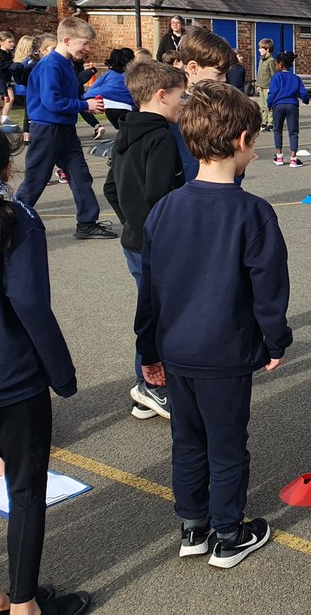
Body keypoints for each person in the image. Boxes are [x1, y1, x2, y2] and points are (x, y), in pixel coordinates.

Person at [135, 81, 291, 569]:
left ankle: (192, 526)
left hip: (176, 349)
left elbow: (149, 289)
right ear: (243, 141)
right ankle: (227, 533)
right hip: (224, 354)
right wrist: (275, 340)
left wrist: (148, 350)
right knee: (226, 445)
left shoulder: (165, 208)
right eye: (256, 141)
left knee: (188, 440)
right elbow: (269, 290)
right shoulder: (253, 213)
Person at [0, 119, 91, 615]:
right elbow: (30, 303)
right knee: (25, 491)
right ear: (7, 164)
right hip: (13, 378)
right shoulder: (17, 219)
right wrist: (61, 373)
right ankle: (24, 604)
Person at [103, 59, 187, 422]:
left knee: (150, 309)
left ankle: (146, 391)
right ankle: (151, 384)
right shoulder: (161, 138)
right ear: (161, 95)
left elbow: (109, 188)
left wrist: (130, 223)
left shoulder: (125, 133)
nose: (184, 103)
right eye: (182, 97)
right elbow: (159, 195)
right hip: (157, 243)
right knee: (159, 315)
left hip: (133, 240)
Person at [14, 17, 117, 241]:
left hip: (64, 129)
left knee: (80, 175)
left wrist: (83, 105)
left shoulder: (66, 63)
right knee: (36, 178)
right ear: (68, 40)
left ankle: (87, 223)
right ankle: (10, 222)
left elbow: (64, 98)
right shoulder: (51, 64)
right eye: (85, 44)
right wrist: (83, 105)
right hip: (48, 129)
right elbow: (51, 102)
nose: (88, 49)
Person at [167, 27, 234, 181]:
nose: (224, 80)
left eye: (225, 74)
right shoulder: (171, 109)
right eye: (219, 74)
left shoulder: (222, 105)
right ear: (193, 68)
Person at [267, 52, 309, 168]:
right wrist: (305, 100)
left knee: (277, 130)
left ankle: (279, 156)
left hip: (278, 105)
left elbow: (272, 92)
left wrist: (269, 104)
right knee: (293, 132)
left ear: (280, 64)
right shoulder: (296, 78)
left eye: (276, 63)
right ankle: (293, 159)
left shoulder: (276, 77)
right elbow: (303, 93)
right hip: (292, 105)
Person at [83, 48, 135, 130]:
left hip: (110, 109)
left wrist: (86, 98)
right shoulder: (131, 75)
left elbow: (93, 88)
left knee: (122, 130)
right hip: (127, 108)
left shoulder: (109, 74)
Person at [0, 33, 16, 125]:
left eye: (13, 42)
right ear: (1, 42)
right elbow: (0, 66)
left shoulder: (10, 54)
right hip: (0, 81)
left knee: (10, 99)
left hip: (8, 80)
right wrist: (12, 63)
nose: (12, 44)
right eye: (9, 42)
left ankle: (4, 117)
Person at [255, 39, 275, 131]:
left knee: (269, 105)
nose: (259, 50)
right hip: (261, 86)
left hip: (268, 87)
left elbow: (273, 75)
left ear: (267, 49)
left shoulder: (271, 61)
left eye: (261, 48)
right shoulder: (261, 60)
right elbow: (260, 73)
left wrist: (271, 87)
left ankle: (271, 123)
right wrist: (258, 85)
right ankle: (264, 121)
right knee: (262, 105)